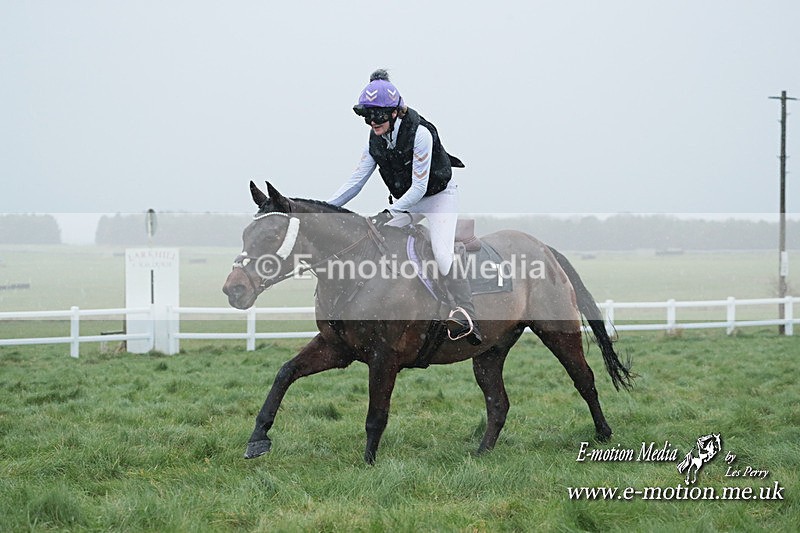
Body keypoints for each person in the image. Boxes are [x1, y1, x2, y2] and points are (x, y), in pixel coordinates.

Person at [327, 69, 483, 345]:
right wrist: (322, 208)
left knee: (442, 254)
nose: (371, 123)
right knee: (374, 239)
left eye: (376, 116)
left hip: (438, 199)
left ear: (395, 113)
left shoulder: (420, 133)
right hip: (406, 203)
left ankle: (467, 314)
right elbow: (355, 182)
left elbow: (420, 189)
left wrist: (390, 213)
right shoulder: (375, 139)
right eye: (367, 116)